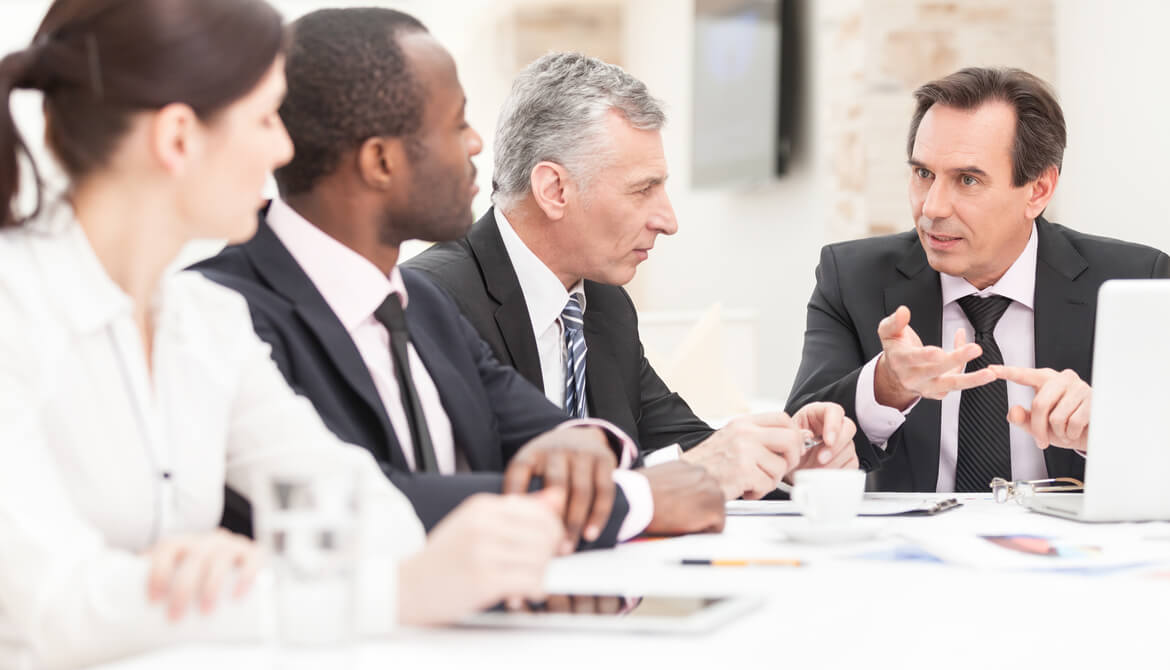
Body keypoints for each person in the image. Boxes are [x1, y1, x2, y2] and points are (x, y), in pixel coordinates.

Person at [0, 1, 567, 667]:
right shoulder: (18, 310)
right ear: (178, 138)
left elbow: (363, 511)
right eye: (266, 118)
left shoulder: (204, 321)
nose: (284, 149)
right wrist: (363, 592)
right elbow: (53, 609)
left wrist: (239, 573)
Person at [193, 8, 725, 551]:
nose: (476, 144)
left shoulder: (420, 305)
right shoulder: (223, 311)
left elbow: (554, 432)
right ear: (380, 162)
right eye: (454, 124)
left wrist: (585, 446)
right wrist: (634, 499)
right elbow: (366, 506)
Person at [406, 52, 858, 501]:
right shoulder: (431, 303)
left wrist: (788, 456)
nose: (668, 220)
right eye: (644, 189)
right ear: (554, 190)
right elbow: (480, 491)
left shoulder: (602, 302)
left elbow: (689, 446)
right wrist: (699, 467)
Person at [785, 67, 1170, 492]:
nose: (932, 208)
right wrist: (886, 386)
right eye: (923, 174)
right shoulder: (853, 278)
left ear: (1038, 190)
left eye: (967, 180)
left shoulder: (1136, 281)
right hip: (911, 551)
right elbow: (794, 455)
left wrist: (1110, 431)